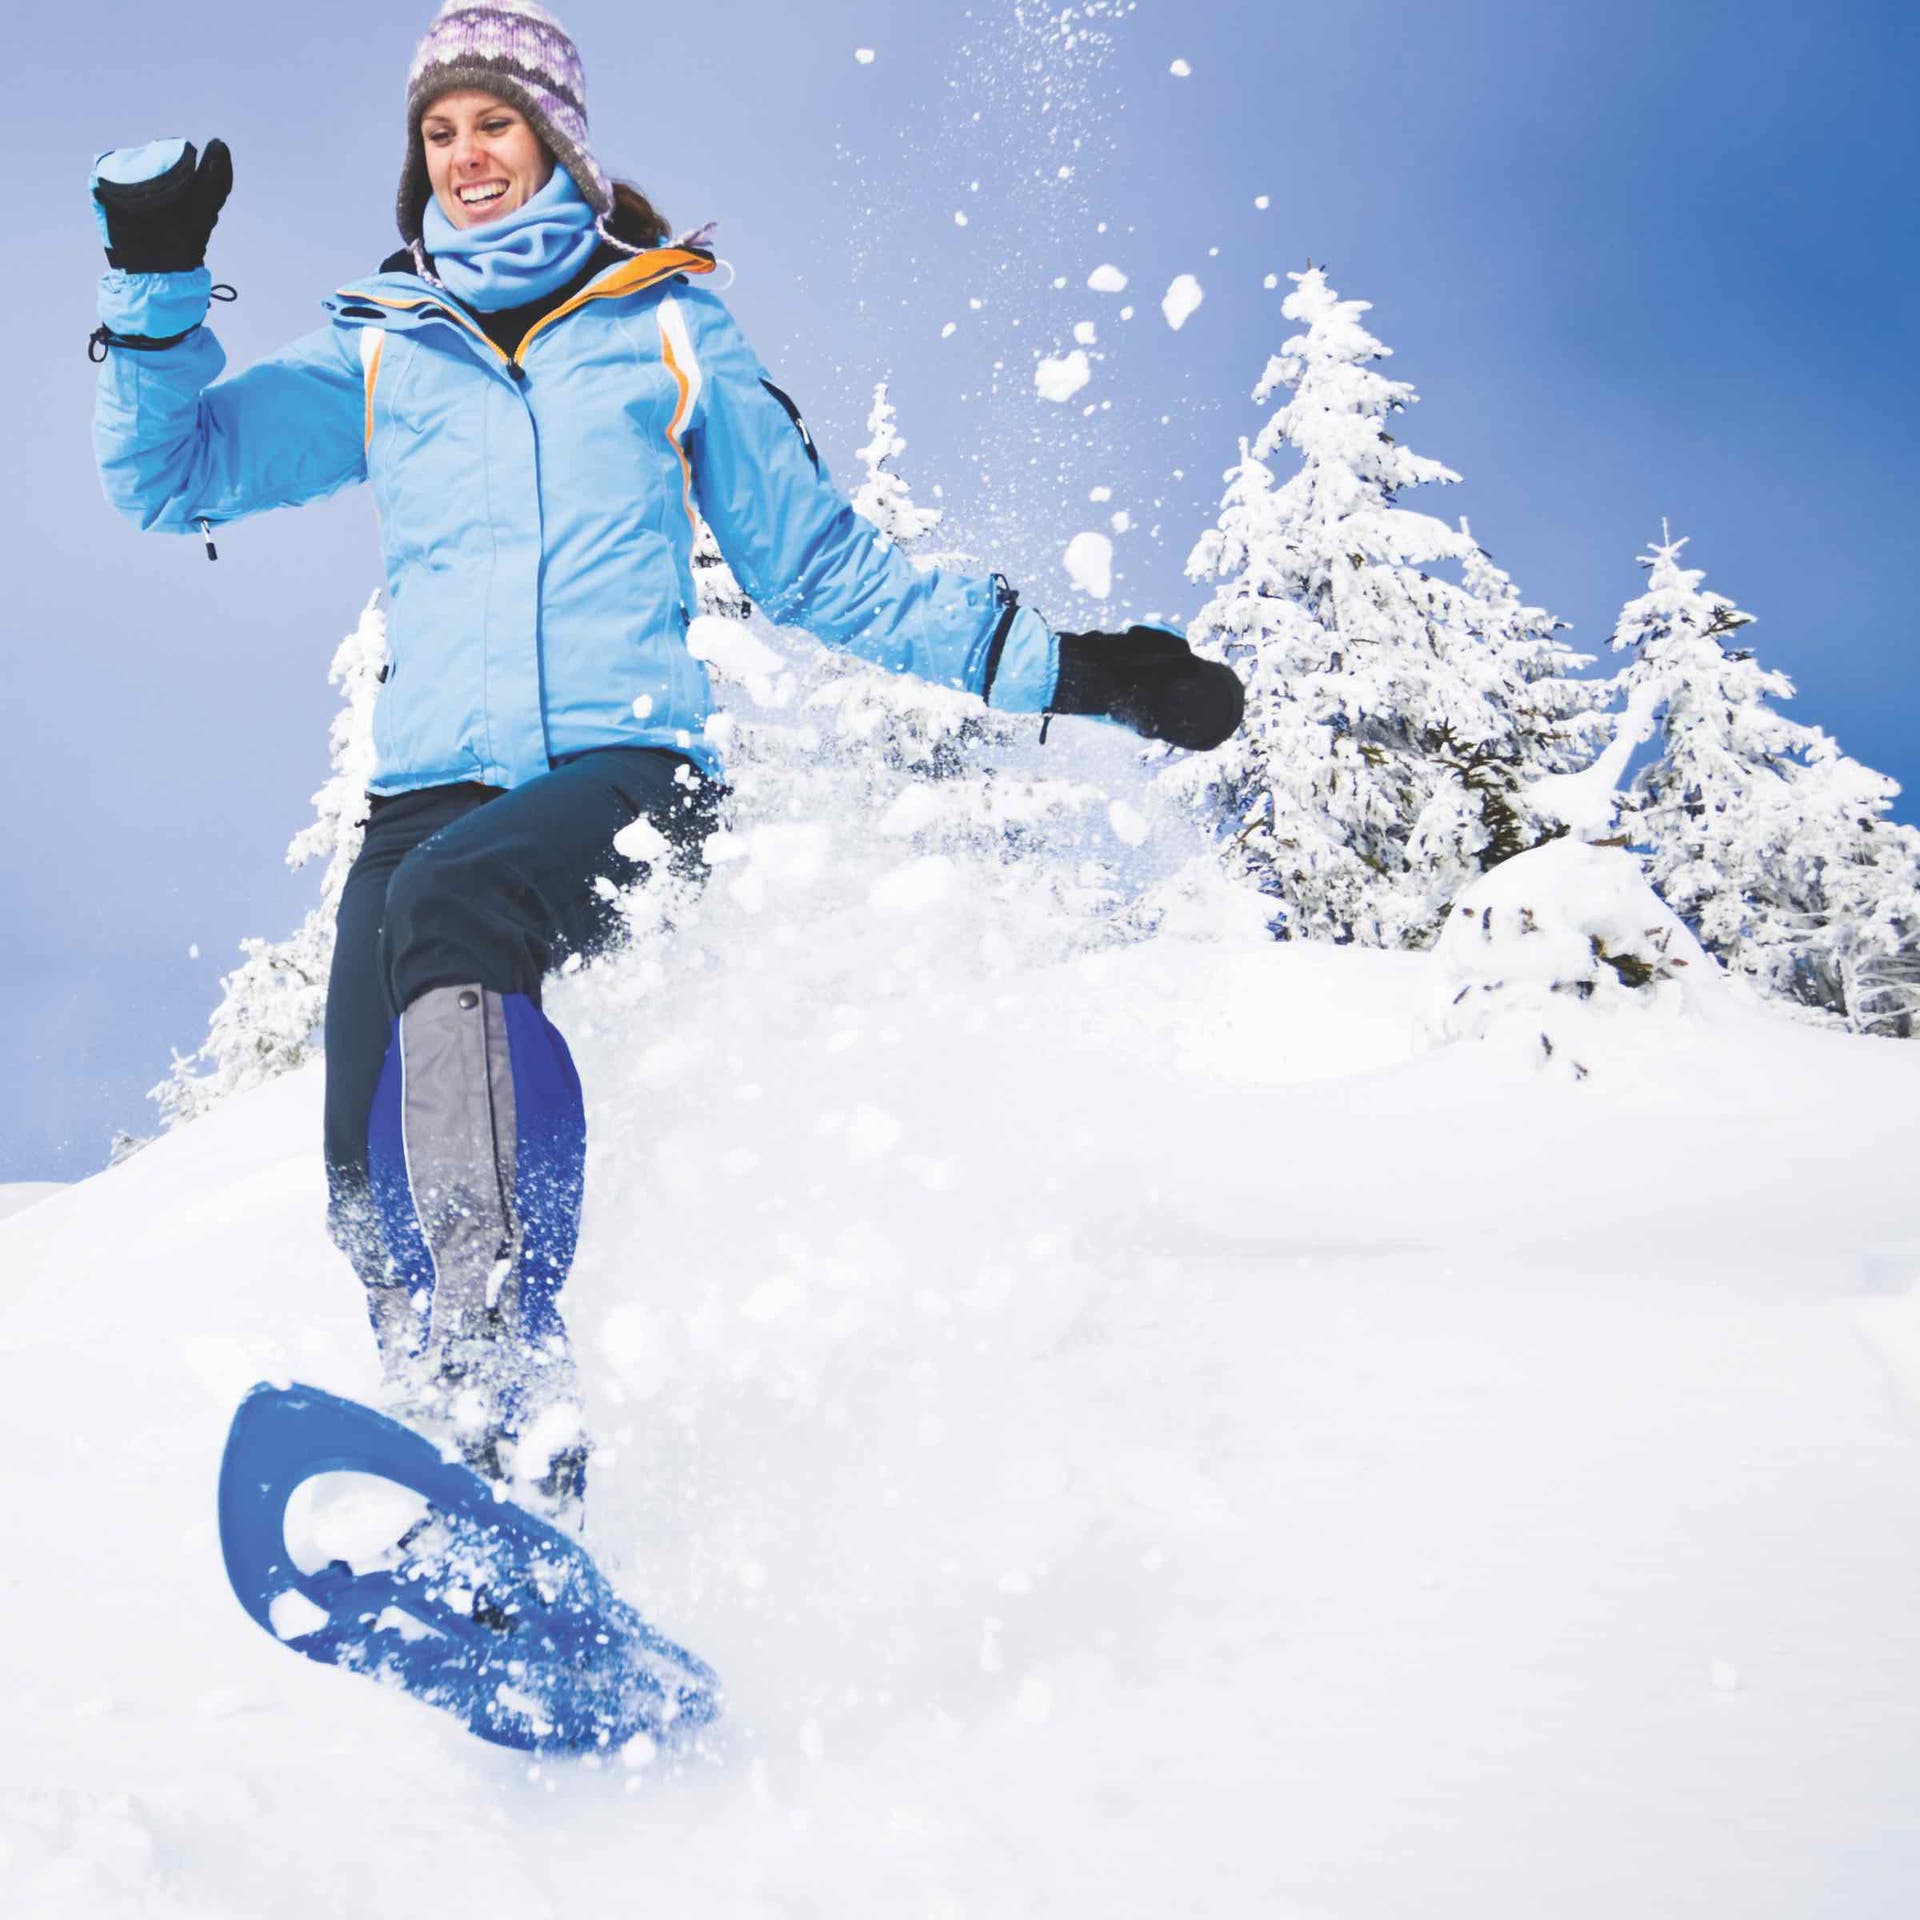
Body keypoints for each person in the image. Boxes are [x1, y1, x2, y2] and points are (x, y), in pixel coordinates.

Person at [89, 0, 1244, 1525]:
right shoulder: (386, 349)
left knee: (453, 907)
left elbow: (822, 568)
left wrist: (1073, 673)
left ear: (557, 136)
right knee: (368, 1186)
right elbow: (170, 477)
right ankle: (472, 1471)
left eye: (494, 122)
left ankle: (511, 1385)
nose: (467, 155)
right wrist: (159, 282)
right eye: (440, 132)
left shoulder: (666, 324)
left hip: (626, 780)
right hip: (429, 793)